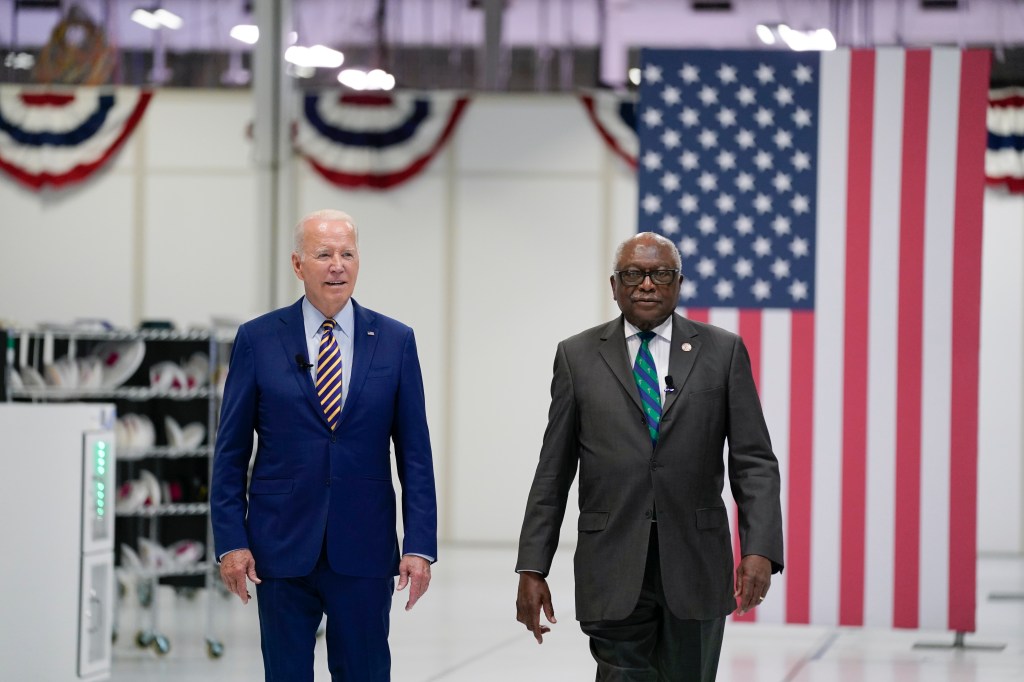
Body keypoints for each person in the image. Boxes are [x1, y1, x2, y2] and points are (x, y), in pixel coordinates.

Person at [515, 231, 783, 682]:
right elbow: (553, 471)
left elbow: (754, 461)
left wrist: (760, 548)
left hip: (696, 563)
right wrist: (532, 566)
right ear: (614, 284)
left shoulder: (723, 352)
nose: (646, 284)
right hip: (612, 562)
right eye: (634, 274)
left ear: (678, 283)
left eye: (660, 274)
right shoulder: (577, 356)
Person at [211, 209, 437, 682]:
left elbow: (414, 454)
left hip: (366, 548)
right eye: (324, 254)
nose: (338, 264)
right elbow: (230, 453)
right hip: (279, 547)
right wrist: (231, 541)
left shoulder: (395, 341)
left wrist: (419, 545)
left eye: (347, 254)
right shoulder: (258, 339)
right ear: (297, 264)